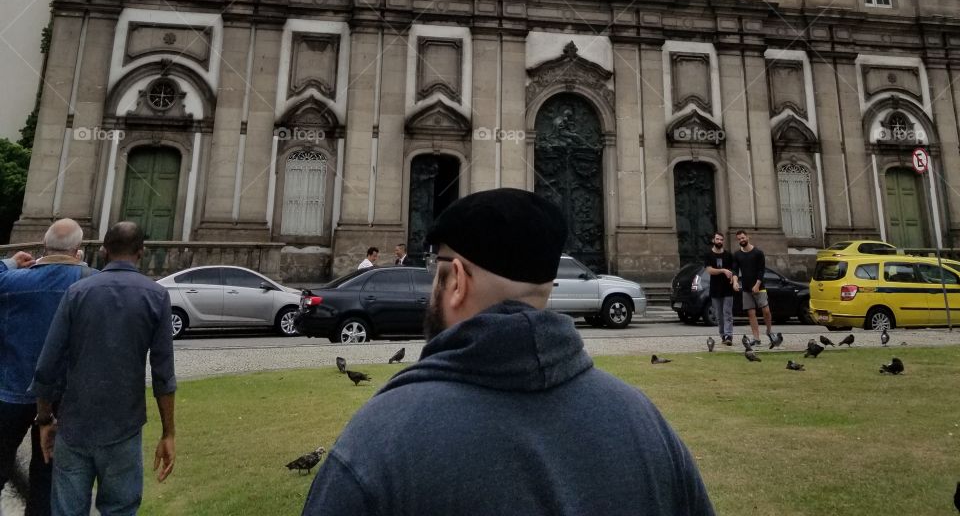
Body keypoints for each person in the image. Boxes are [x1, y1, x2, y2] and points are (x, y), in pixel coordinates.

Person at [302, 188, 714, 516]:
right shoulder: (645, 424)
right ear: (548, 287)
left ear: (458, 279)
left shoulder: (378, 442)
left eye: (436, 270)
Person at [31, 221, 177, 516]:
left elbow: (47, 366)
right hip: (124, 427)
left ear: (103, 251)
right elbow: (163, 374)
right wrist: (168, 433)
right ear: (142, 252)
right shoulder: (156, 296)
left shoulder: (77, 292)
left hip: (74, 425)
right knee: (120, 510)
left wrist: (44, 418)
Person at [0, 220, 92, 516]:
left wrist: (11, 263)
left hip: (11, 392)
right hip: (60, 397)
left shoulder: (13, 282)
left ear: (43, 246)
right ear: (78, 251)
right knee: (45, 478)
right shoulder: (87, 286)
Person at [733, 230, 779, 347]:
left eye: (743, 238)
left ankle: (769, 331)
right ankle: (756, 338)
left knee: (766, 310)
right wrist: (735, 282)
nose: (741, 240)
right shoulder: (737, 255)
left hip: (759, 286)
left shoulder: (758, 253)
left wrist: (757, 285)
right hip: (746, 288)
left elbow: (761, 270)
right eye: (739, 239)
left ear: (748, 237)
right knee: (751, 313)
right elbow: (735, 270)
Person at [704, 231, 738, 346]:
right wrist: (723, 270)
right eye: (717, 239)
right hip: (715, 289)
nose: (720, 241)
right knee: (719, 315)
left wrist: (734, 280)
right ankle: (723, 335)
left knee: (727, 313)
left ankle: (729, 335)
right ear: (713, 240)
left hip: (728, 289)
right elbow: (709, 270)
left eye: (721, 240)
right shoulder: (709, 255)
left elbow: (734, 270)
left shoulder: (728, 255)